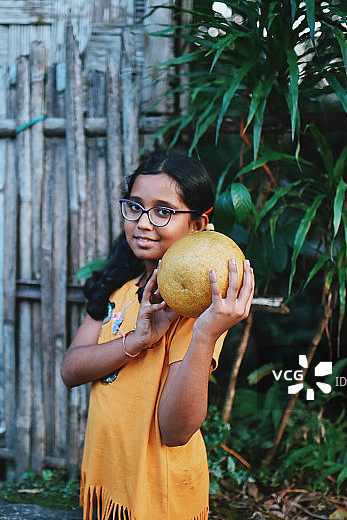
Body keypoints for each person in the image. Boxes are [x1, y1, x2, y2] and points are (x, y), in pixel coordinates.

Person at [61, 151, 255, 520]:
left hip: (160, 497)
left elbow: (176, 430)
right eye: (135, 206)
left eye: (163, 211)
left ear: (198, 224)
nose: (143, 223)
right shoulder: (119, 287)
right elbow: (71, 369)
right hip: (110, 485)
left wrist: (205, 335)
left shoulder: (195, 311)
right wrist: (135, 341)